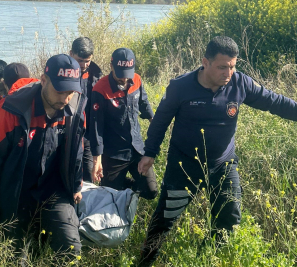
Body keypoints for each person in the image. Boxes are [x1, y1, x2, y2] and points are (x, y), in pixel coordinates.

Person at [137, 36, 297, 266]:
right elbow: (160, 120)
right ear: (205, 62)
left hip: (223, 164)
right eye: (222, 67)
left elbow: (274, 102)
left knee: (229, 217)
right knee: (165, 219)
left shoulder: (241, 84)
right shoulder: (180, 87)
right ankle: (145, 261)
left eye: (232, 66)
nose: (228, 73)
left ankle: (205, 259)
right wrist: (149, 152)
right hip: (184, 166)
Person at [0, 54, 86, 258]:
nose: (65, 98)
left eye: (71, 92)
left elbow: (76, 150)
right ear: (44, 81)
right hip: (17, 193)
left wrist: (77, 185)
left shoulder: (74, 107)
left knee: (71, 251)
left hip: (54, 189)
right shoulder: (12, 110)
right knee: (19, 258)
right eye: (60, 91)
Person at [90, 48, 158, 200]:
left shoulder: (137, 80)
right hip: (114, 153)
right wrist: (97, 160)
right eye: (120, 75)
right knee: (108, 195)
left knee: (151, 191)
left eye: (128, 75)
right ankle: (119, 186)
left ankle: (124, 189)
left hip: (136, 149)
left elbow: (144, 103)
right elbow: (96, 128)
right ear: (111, 66)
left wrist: (154, 120)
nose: (124, 80)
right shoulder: (100, 89)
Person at [70, 37, 102, 183]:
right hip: (68, 134)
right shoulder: (63, 75)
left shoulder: (96, 77)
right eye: (79, 60)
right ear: (71, 54)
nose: (83, 65)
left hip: (88, 134)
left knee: (89, 177)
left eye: (87, 60)